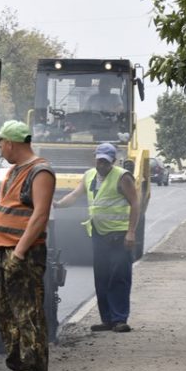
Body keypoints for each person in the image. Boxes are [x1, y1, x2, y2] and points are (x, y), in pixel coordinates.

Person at [0, 120, 57, 371]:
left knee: (29, 316)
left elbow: (39, 216)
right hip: (3, 251)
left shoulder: (41, 172)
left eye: (1, 142)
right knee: (7, 316)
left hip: (23, 255)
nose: (0, 147)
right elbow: (4, 208)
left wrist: (18, 253)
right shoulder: (13, 171)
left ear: (13, 143)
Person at [54, 142, 141, 334]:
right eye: (99, 160)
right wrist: (57, 204)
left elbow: (135, 203)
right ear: (95, 158)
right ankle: (107, 320)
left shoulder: (122, 177)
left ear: (113, 161)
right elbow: (75, 195)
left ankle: (120, 319)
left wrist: (131, 232)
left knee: (119, 276)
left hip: (119, 235)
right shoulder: (89, 175)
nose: (102, 165)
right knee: (101, 277)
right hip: (99, 233)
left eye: (106, 162)